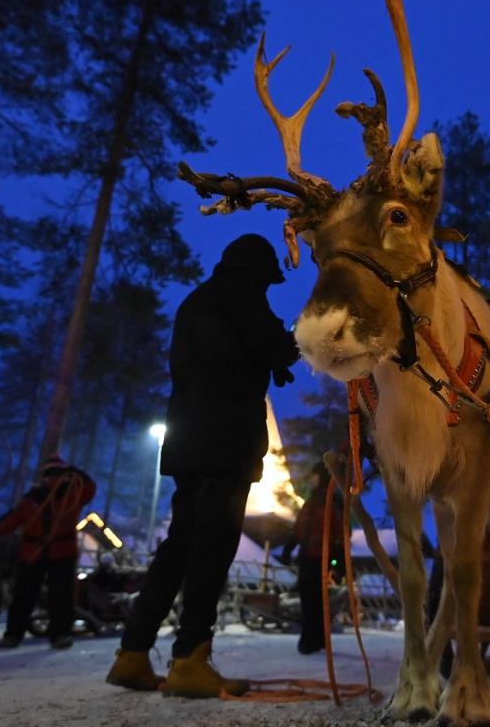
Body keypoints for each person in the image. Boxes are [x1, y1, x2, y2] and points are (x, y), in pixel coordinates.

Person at [106, 233, 299, 697]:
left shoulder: (196, 302)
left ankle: (132, 652)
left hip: (189, 444)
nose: (267, 289)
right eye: (266, 281)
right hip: (226, 445)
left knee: (178, 547)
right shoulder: (243, 299)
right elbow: (279, 347)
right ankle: (190, 658)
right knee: (212, 549)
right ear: (255, 273)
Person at [0, 457, 96, 649]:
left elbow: (90, 489)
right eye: (50, 475)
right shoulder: (32, 499)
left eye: (57, 474)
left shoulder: (72, 495)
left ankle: (60, 633)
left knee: (61, 595)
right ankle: (13, 634)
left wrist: (80, 473)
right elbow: (14, 519)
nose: (53, 479)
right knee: (24, 594)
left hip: (61, 552)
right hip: (33, 552)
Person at [281, 461, 346, 654]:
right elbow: (301, 526)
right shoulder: (314, 501)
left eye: (314, 476)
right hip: (308, 556)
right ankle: (316, 638)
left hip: (320, 557)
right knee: (310, 598)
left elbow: (339, 533)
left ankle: (312, 639)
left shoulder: (331, 502)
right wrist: (290, 546)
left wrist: (339, 560)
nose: (311, 479)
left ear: (322, 477)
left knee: (313, 599)